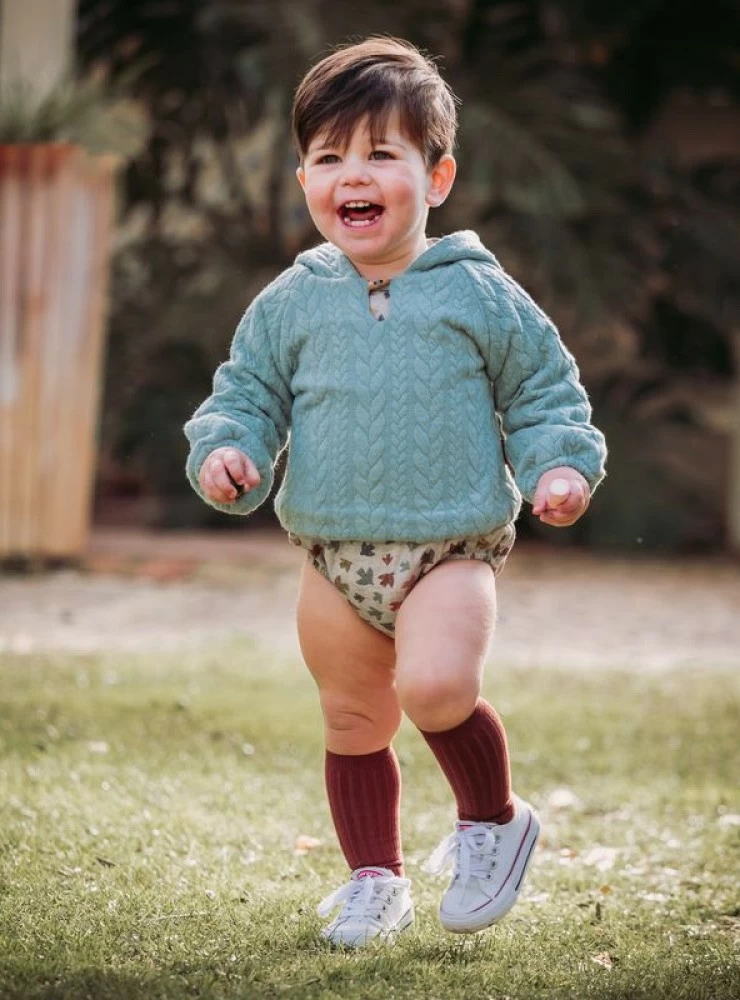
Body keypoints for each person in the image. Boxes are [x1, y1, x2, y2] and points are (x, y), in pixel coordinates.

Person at [184, 36, 607, 948]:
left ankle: (493, 818)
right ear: (304, 179)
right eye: (329, 157)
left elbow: (543, 394)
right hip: (333, 554)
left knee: (436, 682)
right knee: (352, 717)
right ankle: (376, 878)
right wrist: (229, 452)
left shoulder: (481, 295)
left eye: (381, 152)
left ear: (438, 175)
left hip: (450, 545)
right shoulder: (291, 301)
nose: (354, 174)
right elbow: (245, 396)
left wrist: (558, 466)